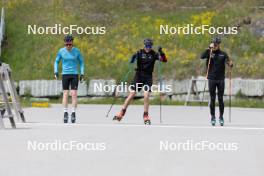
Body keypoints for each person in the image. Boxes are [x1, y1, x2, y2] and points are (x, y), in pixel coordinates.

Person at [113, 38, 167, 125]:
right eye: (146, 46)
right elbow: (131, 62)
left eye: (150, 46)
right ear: (144, 45)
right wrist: (133, 58)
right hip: (139, 76)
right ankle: (121, 112)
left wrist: (162, 52)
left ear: (151, 46)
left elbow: (164, 60)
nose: (148, 48)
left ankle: (145, 115)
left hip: (148, 77)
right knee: (132, 94)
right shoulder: (139, 52)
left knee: (146, 95)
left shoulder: (154, 54)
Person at [201, 37, 233, 126]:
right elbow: (201, 56)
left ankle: (221, 117)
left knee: (220, 99)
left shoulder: (223, 54)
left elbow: (228, 62)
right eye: (213, 44)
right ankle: (213, 117)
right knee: (212, 99)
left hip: (220, 79)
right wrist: (208, 48)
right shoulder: (209, 52)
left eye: (216, 44)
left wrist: (230, 64)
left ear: (219, 45)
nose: (214, 45)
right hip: (211, 78)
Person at [54, 35, 85, 123]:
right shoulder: (61, 51)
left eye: (70, 45)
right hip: (65, 74)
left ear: (72, 43)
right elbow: (56, 61)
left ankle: (73, 113)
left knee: (74, 94)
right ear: (65, 44)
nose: (68, 46)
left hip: (74, 74)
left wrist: (82, 73)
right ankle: (65, 113)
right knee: (65, 93)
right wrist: (56, 71)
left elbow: (82, 62)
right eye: (66, 45)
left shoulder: (77, 51)